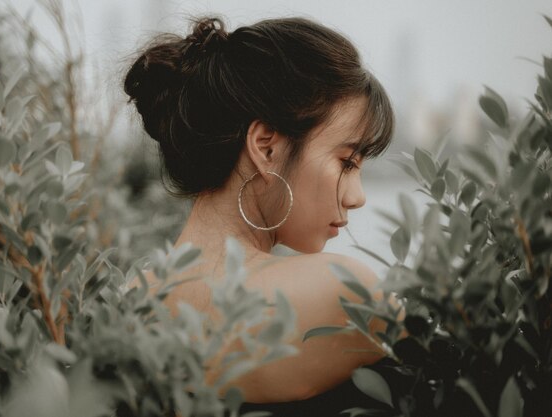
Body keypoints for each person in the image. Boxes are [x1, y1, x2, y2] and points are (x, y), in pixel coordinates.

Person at [123, 15, 396, 415]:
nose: (356, 198)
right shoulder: (345, 292)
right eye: (347, 162)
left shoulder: (131, 302)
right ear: (265, 147)